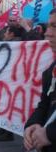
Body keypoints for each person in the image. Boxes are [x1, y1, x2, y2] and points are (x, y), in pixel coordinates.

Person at [23, 9, 56, 152]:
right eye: (48, 26)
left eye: (55, 26)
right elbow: (45, 103)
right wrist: (32, 124)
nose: (47, 33)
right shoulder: (51, 71)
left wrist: (50, 134)